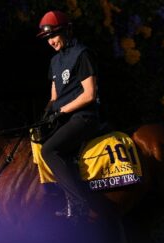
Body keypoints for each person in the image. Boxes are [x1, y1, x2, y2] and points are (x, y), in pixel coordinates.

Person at [37, 10, 110, 220]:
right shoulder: (54, 62)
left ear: (67, 31)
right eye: (48, 38)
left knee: (49, 150)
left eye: (54, 35)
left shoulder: (82, 54)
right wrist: (45, 116)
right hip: (65, 118)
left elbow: (89, 95)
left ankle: (78, 205)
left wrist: (61, 111)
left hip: (84, 117)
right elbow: (54, 98)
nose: (51, 41)